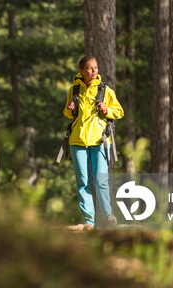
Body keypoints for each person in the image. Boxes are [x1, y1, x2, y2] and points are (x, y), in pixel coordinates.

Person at [63, 56, 124, 230]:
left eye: (95, 68)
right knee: (83, 182)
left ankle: (108, 215)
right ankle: (89, 222)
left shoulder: (105, 90)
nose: (93, 71)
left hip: (100, 141)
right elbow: (69, 114)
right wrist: (69, 110)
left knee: (100, 180)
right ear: (81, 70)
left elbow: (119, 112)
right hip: (77, 141)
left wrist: (107, 109)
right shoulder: (74, 90)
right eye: (89, 68)